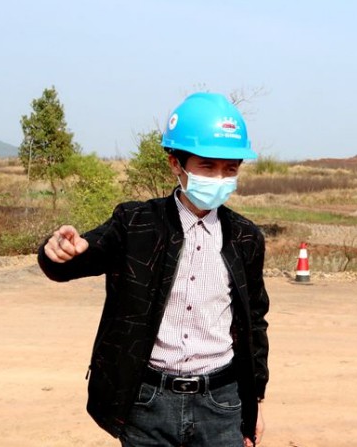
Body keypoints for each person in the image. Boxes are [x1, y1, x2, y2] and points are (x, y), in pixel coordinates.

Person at [37, 92, 269, 447]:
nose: (220, 178)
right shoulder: (135, 224)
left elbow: (254, 321)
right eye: (207, 167)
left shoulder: (245, 237)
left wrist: (255, 402)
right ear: (175, 163)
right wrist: (57, 252)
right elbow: (74, 261)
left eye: (231, 169)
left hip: (221, 404)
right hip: (148, 402)